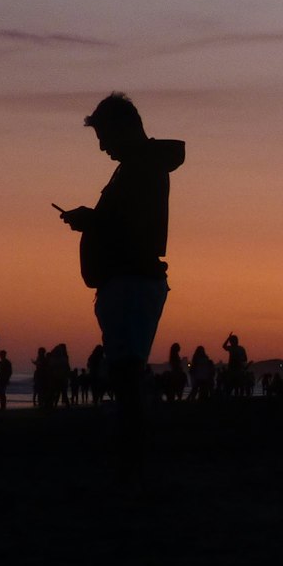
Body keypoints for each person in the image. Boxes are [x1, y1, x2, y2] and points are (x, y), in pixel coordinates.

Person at [59, 93, 185, 450]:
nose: (103, 149)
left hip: (132, 282)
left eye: (105, 139)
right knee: (125, 369)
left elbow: (132, 227)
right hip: (129, 281)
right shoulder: (138, 167)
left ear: (124, 130)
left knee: (126, 371)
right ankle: (133, 444)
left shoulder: (142, 168)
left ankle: (133, 448)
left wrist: (91, 220)